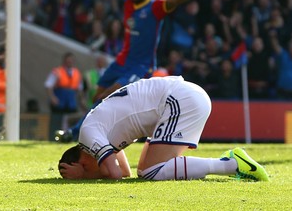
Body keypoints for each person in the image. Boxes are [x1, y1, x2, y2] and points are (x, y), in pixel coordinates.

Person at [55, 0, 214, 142]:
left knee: (110, 97)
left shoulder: (155, 8)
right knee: (98, 97)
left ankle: (76, 133)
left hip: (140, 66)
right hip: (122, 61)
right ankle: (89, 132)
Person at [58, 76, 268, 181]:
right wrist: (89, 172)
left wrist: (82, 176)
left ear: (83, 160)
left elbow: (114, 174)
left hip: (178, 100)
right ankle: (231, 163)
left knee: (151, 172)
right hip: (179, 97)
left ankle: (232, 165)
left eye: (86, 168)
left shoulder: (88, 135)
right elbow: (124, 171)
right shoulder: (99, 133)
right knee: (144, 170)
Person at [45, 52, 85, 140]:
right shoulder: (57, 71)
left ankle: (68, 137)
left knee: (71, 120)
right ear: (64, 61)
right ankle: (54, 137)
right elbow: (48, 85)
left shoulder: (77, 73)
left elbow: (79, 89)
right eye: (68, 61)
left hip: (71, 101)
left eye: (71, 61)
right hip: (60, 99)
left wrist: (81, 100)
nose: (69, 63)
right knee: (57, 120)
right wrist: (52, 98)